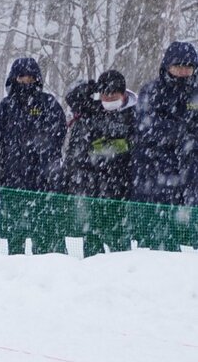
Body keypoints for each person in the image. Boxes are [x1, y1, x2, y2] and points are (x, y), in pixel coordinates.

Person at [0, 57, 67, 254]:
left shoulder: (48, 103)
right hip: (13, 181)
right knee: (15, 236)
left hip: (42, 183)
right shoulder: (7, 106)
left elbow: (59, 133)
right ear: (15, 78)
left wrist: (48, 161)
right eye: (22, 77)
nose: (26, 81)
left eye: (30, 77)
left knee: (45, 239)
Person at [130, 41, 198, 250]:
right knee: (157, 239)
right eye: (178, 66)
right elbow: (146, 126)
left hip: (191, 172)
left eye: (188, 67)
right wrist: (180, 132)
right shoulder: (151, 91)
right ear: (167, 66)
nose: (183, 71)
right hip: (155, 170)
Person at [63, 70, 136, 255]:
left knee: (121, 251)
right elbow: (72, 98)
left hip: (122, 195)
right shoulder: (91, 112)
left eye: (114, 94)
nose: (110, 98)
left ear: (124, 94)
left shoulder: (134, 114)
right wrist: (92, 86)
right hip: (93, 192)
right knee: (92, 254)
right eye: (105, 94)